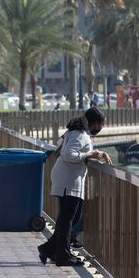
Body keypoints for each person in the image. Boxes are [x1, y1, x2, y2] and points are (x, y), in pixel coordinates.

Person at [37, 107, 112, 267]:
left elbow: (66, 148)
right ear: (95, 123)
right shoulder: (80, 135)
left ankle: (51, 249)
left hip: (66, 177)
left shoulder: (76, 132)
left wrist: (94, 154)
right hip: (68, 179)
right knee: (67, 219)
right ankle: (61, 255)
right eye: (101, 124)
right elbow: (69, 154)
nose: (101, 128)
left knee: (71, 218)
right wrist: (88, 155)